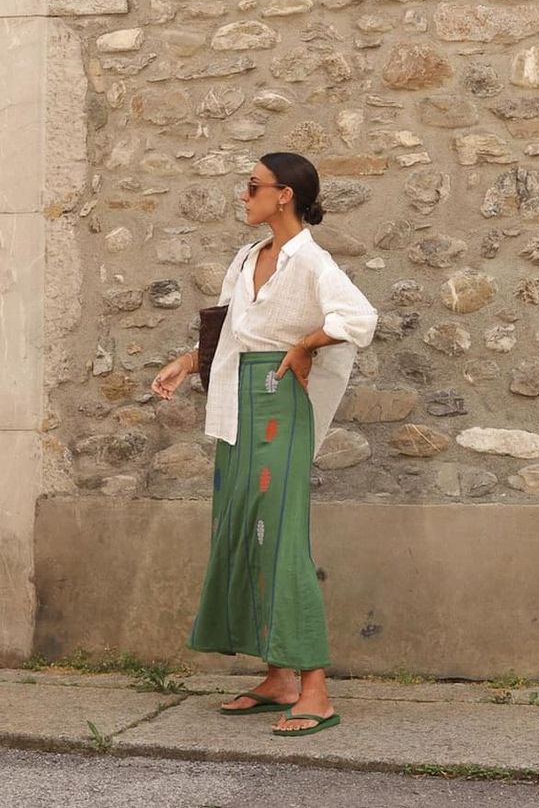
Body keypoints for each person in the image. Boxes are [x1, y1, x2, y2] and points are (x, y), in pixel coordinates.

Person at [151, 152, 377, 736]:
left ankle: (316, 689)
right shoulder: (250, 255)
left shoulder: (312, 260)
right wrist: (184, 363)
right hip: (234, 402)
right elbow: (230, 327)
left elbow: (359, 316)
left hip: (279, 402)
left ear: (285, 195)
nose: (243, 195)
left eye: (253, 186)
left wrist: (304, 345)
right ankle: (278, 677)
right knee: (243, 526)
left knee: (281, 537)